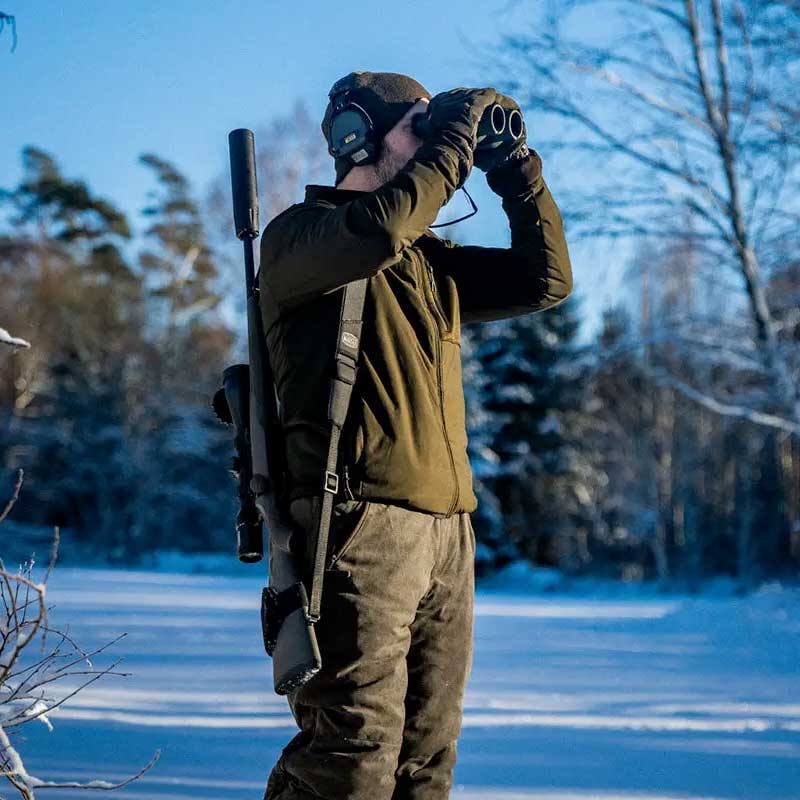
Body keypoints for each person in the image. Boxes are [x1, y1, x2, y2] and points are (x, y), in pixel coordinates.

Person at [259, 70, 572, 800]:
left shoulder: (428, 264)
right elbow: (378, 229)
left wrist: (515, 171)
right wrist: (455, 139)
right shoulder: (302, 239)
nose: (442, 148)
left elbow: (544, 282)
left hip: (446, 536)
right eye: (421, 129)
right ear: (357, 136)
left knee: (425, 763)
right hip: (358, 530)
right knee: (352, 756)